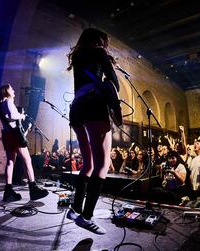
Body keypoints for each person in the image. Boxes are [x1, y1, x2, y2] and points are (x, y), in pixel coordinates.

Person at [65, 27, 119, 235]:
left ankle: (75, 208)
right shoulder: (99, 53)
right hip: (94, 107)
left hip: (76, 108)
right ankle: (86, 217)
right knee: (102, 165)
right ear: (100, 41)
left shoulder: (78, 55)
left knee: (88, 163)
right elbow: (115, 84)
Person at [0, 84, 48, 202]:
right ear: (7, 91)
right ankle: (33, 189)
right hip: (14, 135)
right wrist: (22, 116)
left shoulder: (1, 104)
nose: (13, 90)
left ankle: (8, 191)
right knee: (27, 160)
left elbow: (7, 118)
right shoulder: (8, 101)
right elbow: (12, 116)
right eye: (11, 89)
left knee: (10, 162)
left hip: (7, 135)